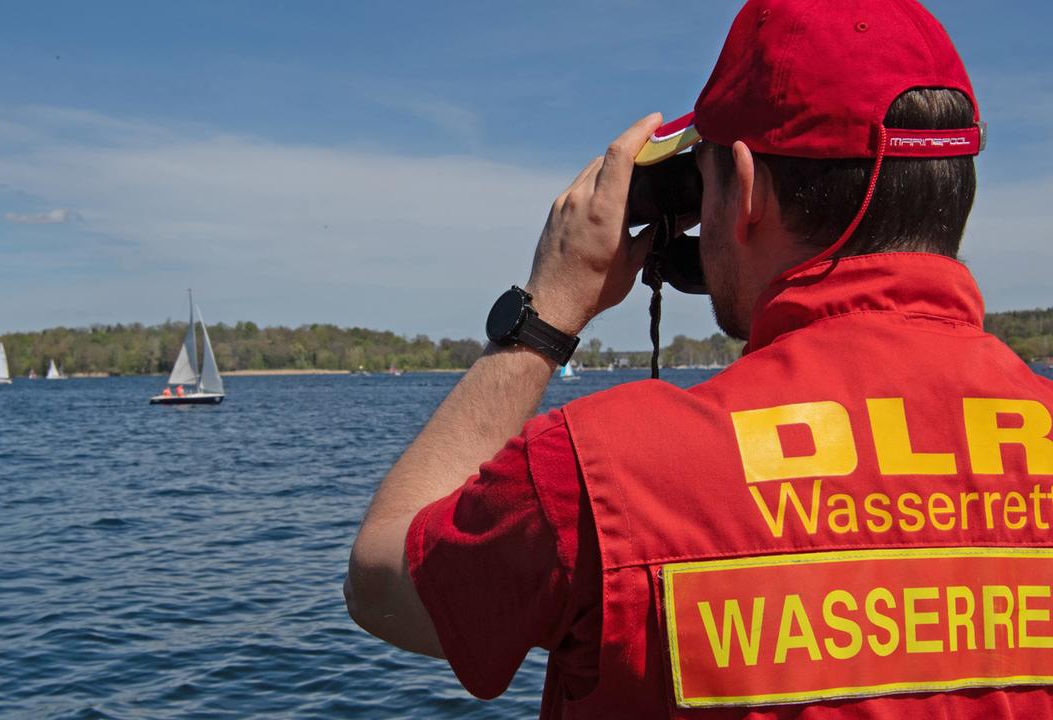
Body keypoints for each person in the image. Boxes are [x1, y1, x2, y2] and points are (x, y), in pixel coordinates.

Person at [345, 0, 1053, 717]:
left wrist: (547, 313)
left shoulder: (605, 471)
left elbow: (383, 581)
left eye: (701, 182)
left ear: (743, 191)